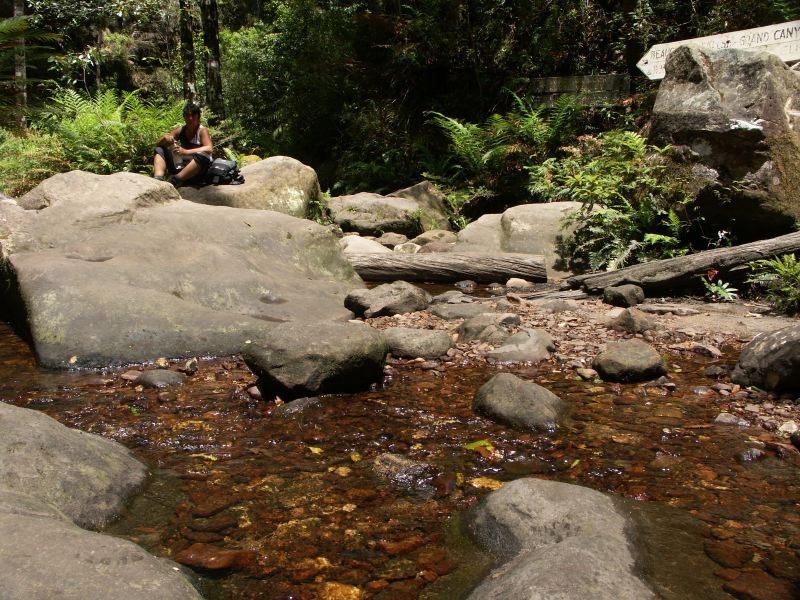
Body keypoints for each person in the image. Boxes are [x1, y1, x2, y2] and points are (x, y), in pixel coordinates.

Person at [153, 102, 213, 186]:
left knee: (204, 155)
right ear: (184, 117)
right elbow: (158, 144)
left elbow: (209, 148)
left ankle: (175, 180)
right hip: (182, 165)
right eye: (187, 116)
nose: (190, 119)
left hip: (198, 170)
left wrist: (185, 152)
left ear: (198, 117)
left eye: (193, 116)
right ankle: (158, 178)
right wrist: (164, 139)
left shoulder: (202, 131)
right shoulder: (180, 130)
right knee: (159, 149)